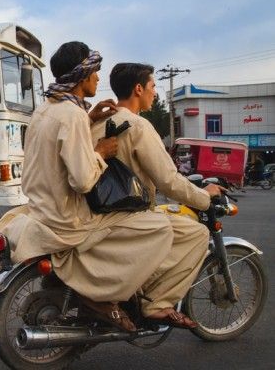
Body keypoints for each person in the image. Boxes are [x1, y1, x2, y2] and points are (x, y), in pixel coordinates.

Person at [0, 42, 174, 332]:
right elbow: (82, 180)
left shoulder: (46, 109)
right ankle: (103, 295)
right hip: (68, 219)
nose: (97, 79)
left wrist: (89, 119)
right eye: (95, 72)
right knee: (159, 226)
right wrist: (101, 152)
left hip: (40, 208)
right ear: (82, 75)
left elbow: (57, 147)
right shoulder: (73, 115)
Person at [90, 63, 223, 328]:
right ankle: (156, 303)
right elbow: (168, 180)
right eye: (152, 87)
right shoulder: (138, 125)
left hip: (96, 211)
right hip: (127, 214)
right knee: (196, 234)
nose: (155, 94)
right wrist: (205, 197)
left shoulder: (97, 121)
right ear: (138, 89)